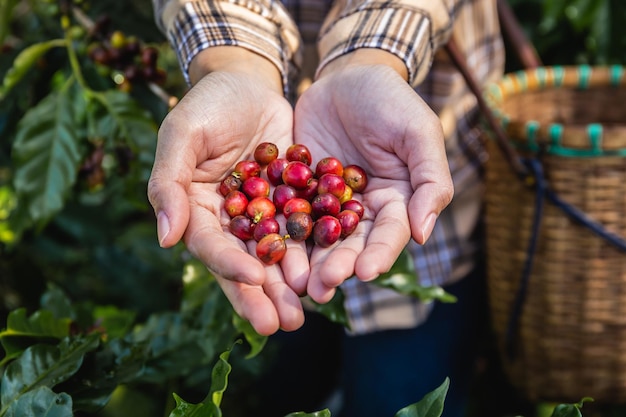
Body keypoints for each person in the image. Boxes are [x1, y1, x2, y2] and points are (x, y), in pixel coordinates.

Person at [148, 0, 504, 416]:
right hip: (276, 272)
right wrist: (235, 62)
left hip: (421, 188)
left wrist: (371, 55)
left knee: (396, 389)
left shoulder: (303, 194)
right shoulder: (283, 191)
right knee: (289, 378)